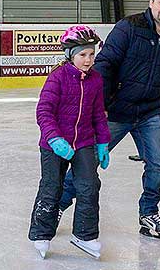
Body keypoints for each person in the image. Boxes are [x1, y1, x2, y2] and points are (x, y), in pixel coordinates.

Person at [60, 0, 160, 239]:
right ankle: (58, 206)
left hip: (149, 112)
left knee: (157, 165)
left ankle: (149, 214)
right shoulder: (129, 27)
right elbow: (105, 65)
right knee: (87, 163)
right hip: (116, 112)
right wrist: (99, 107)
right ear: (151, 3)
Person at [28, 25, 111, 259]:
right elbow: (44, 111)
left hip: (83, 142)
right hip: (54, 144)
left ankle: (84, 235)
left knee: (89, 185)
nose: (88, 60)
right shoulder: (58, 77)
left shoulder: (95, 80)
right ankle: (41, 234)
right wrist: (54, 138)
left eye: (92, 54)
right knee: (52, 187)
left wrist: (103, 143)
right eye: (82, 55)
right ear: (70, 55)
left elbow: (97, 114)